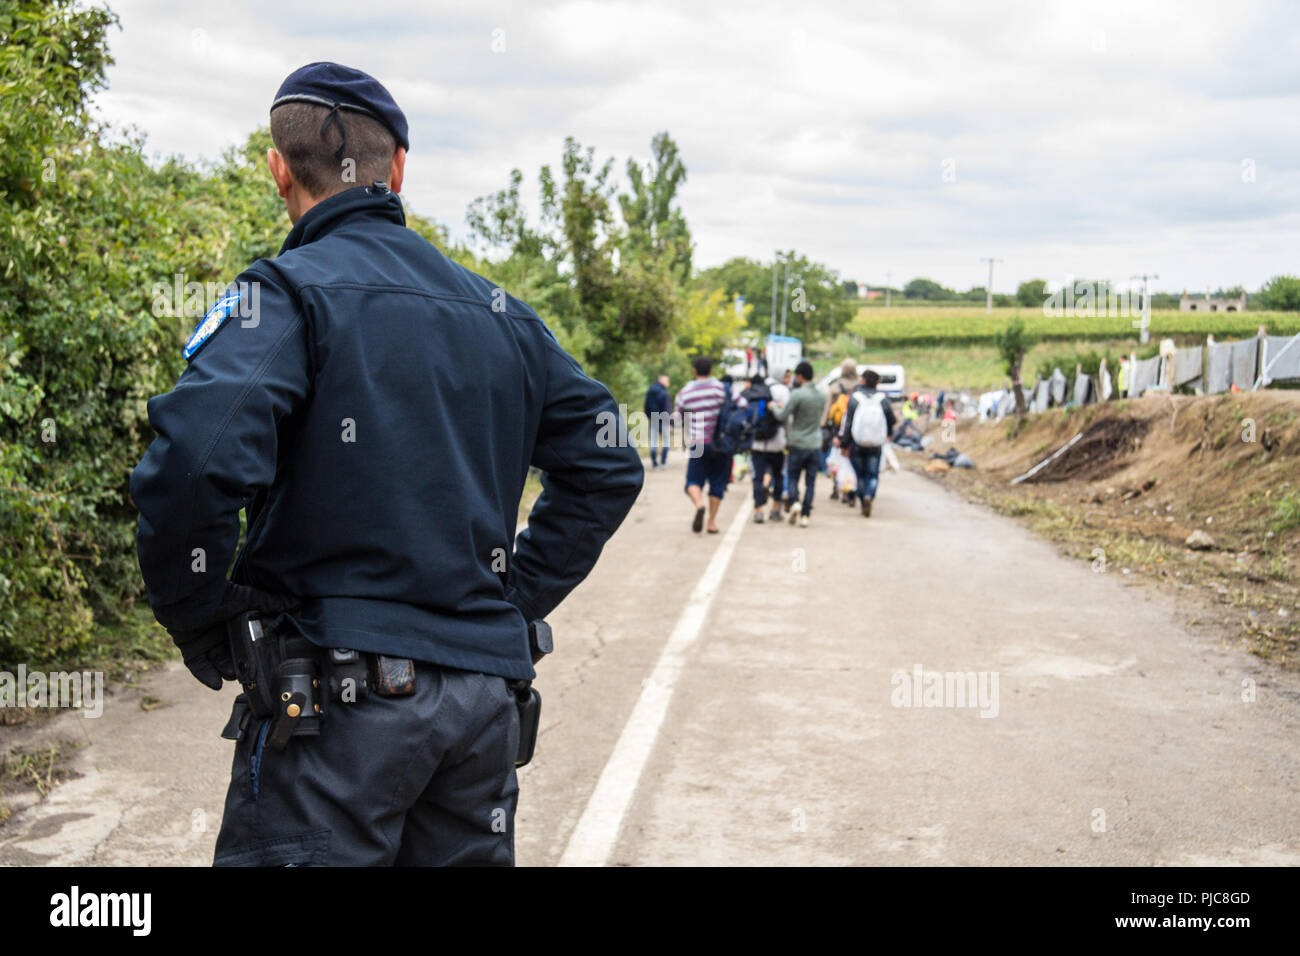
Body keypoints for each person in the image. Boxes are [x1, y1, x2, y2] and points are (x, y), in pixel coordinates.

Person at [129, 63, 643, 867]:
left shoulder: (285, 296)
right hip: (480, 719)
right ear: (397, 168)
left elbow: (193, 461)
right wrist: (505, 605)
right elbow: (609, 463)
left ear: (277, 170)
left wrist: (205, 618)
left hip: (334, 721)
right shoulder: (500, 314)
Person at [673, 355, 729, 533]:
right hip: (720, 443)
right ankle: (711, 523)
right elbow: (739, 406)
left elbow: (677, 419)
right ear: (712, 371)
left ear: (694, 371)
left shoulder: (685, 392)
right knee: (717, 483)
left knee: (692, 481)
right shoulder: (721, 389)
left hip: (698, 441)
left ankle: (699, 504)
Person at [773, 361, 827, 527]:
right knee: (810, 481)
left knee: (793, 476)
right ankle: (805, 515)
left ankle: (795, 501)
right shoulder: (821, 395)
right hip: (815, 442)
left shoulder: (797, 394)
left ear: (800, 376)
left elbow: (782, 416)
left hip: (797, 442)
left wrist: (773, 407)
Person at [838, 369, 896, 517]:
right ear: (877, 382)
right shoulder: (883, 399)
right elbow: (891, 420)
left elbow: (848, 423)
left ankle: (863, 498)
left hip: (858, 443)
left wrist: (844, 444)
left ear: (862, 380)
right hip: (876, 443)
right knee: (873, 474)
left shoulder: (855, 398)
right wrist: (889, 434)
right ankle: (869, 495)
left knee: (861, 474)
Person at [739, 373, 788, 523]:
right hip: (777, 443)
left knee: (757, 477)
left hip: (757, 443)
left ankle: (759, 511)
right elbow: (786, 418)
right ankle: (775, 509)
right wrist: (788, 439)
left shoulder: (749, 395)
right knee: (779, 475)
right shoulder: (778, 393)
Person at [644, 374, 672, 469]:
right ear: (662, 381)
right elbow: (666, 409)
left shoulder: (650, 391)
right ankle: (663, 462)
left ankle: (655, 464)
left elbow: (646, 406)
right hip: (663, 420)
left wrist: (650, 417)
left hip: (653, 419)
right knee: (666, 441)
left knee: (653, 442)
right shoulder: (664, 393)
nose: (668, 383)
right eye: (667, 381)